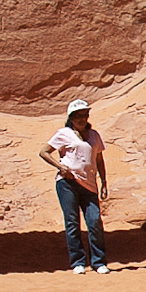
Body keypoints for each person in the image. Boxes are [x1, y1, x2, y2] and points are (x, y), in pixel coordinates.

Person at [41, 100, 109, 273]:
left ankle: (98, 262)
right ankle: (78, 262)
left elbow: (99, 159)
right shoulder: (63, 134)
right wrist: (60, 166)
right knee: (72, 222)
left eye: (85, 115)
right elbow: (43, 152)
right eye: (78, 116)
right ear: (71, 118)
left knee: (94, 222)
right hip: (68, 183)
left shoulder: (94, 135)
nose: (82, 119)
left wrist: (104, 182)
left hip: (90, 184)